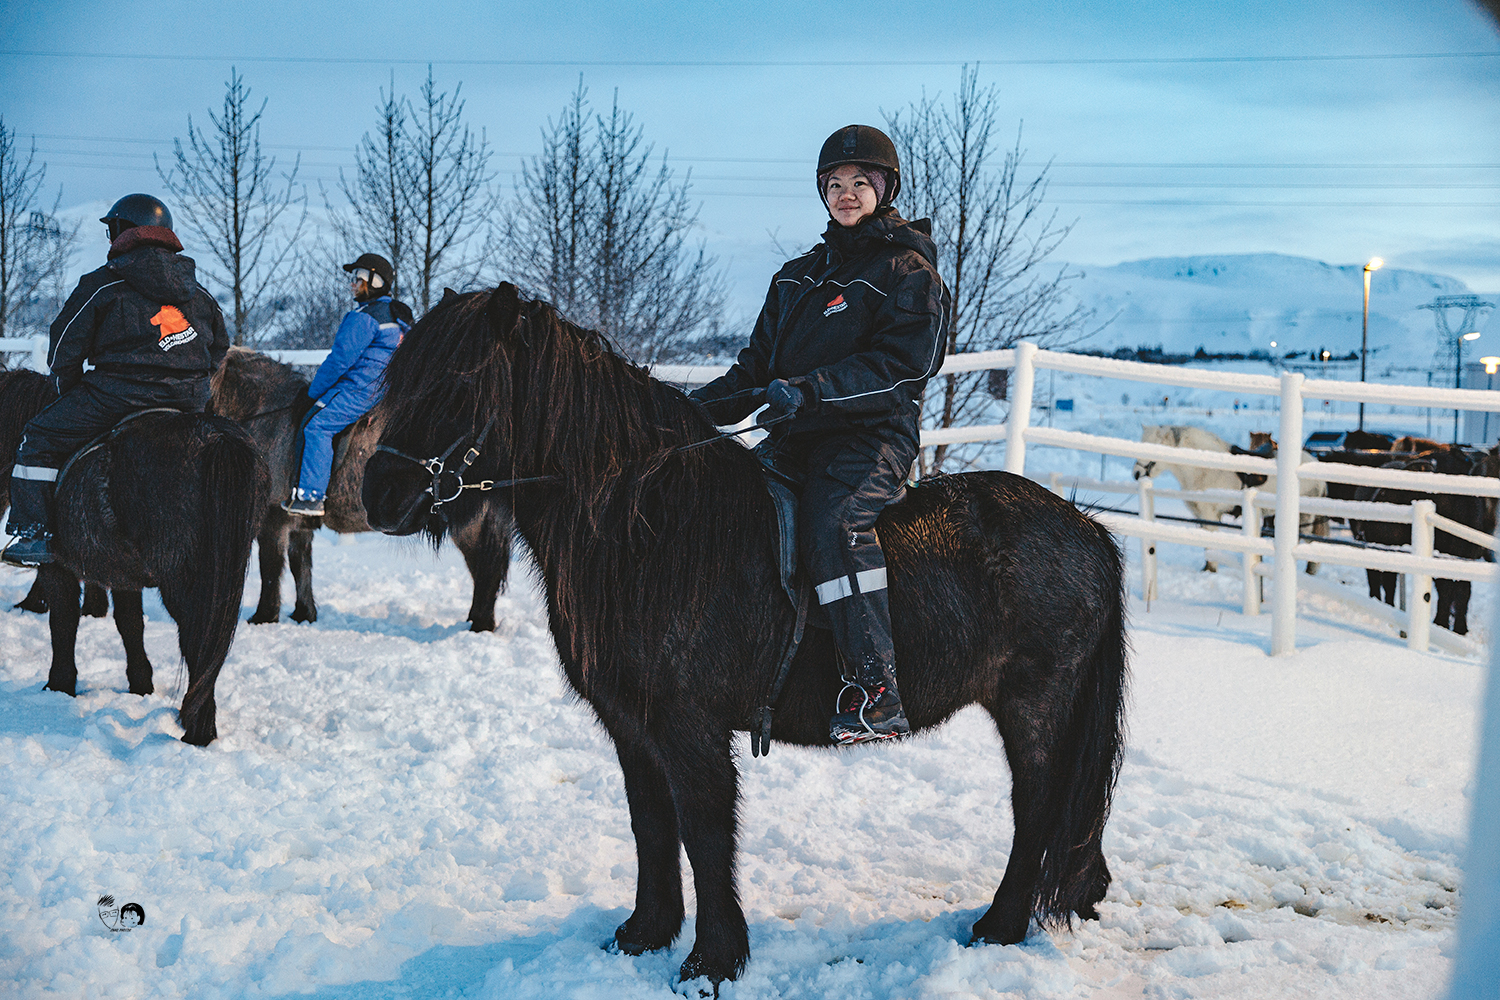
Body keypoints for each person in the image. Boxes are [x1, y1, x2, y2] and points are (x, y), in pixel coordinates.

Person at [689, 124, 949, 744]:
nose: (847, 194)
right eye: (834, 184)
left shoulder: (907, 271)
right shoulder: (796, 277)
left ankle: (875, 688)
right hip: (796, 437)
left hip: (870, 438)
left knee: (835, 525)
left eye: (861, 183)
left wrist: (809, 392)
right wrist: (686, 412)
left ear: (885, 190)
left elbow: (902, 366)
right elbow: (754, 371)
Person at [2, 194, 228, 567]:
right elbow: (220, 346)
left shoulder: (104, 284)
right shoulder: (198, 292)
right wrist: (192, 383)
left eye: (112, 231)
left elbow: (63, 349)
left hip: (115, 397)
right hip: (187, 401)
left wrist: (70, 390)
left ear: (124, 232)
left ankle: (34, 534)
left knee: (38, 437)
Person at [283, 253, 410, 516]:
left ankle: (311, 496)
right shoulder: (400, 316)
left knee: (316, 425)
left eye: (358, 278)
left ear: (374, 281)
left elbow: (339, 361)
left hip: (359, 389)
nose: (353, 283)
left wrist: (313, 393)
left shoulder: (365, 316)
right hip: (386, 391)